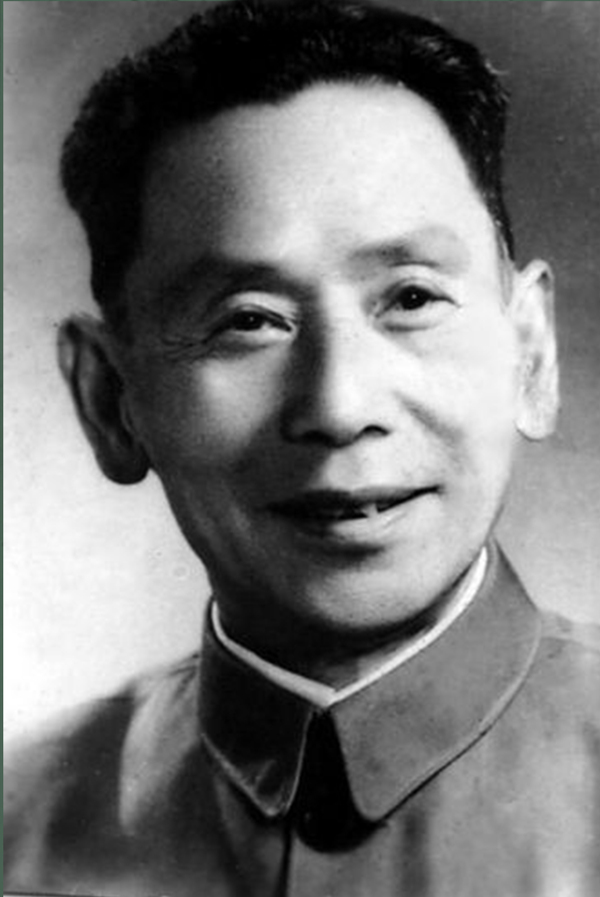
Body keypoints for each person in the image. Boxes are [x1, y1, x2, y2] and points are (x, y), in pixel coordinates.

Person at [4, 1, 599, 895]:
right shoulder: (18, 828)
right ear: (109, 399)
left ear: (532, 352)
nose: (338, 406)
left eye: (411, 298)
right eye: (247, 320)